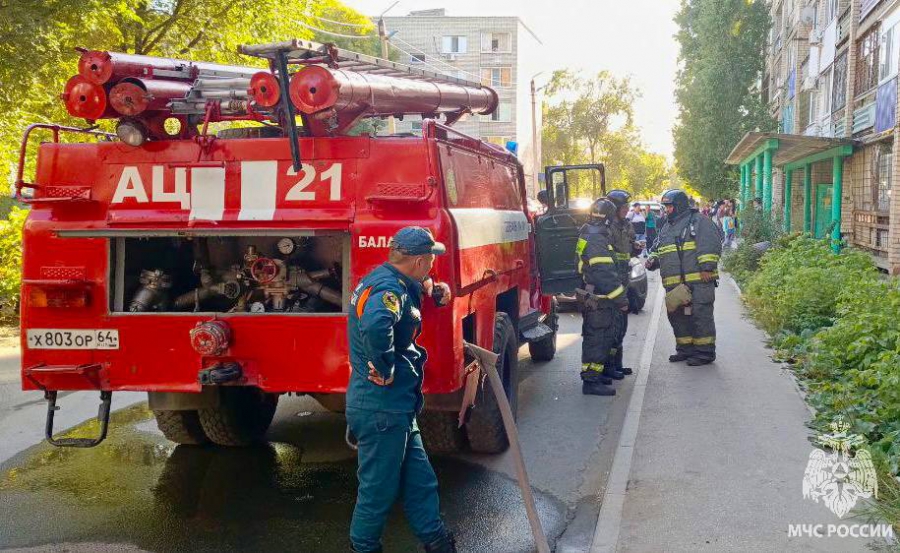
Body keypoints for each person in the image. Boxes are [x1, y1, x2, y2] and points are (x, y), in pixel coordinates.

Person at [346, 226, 456, 553]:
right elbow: (377, 323)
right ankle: (364, 548)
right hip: (381, 407)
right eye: (431, 261)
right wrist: (384, 367)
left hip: (397, 408)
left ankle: (437, 542)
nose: (432, 266)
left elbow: (412, 290)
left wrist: (435, 290)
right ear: (420, 261)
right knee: (377, 493)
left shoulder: (389, 277)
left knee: (421, 483)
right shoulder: (388, 290)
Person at [646, 190, 722, 366]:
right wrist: (653, 260)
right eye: (665, 207)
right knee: (678, 317)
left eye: (669, 206)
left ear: (679, 205)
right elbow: (661, 248)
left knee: (700, 317)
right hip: (675, 285)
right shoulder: (667, 226)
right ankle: (685, 349)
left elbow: (710, 244)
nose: (667, 210)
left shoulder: (699, 222)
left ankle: (704, 353)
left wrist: (707, 267)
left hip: (698, 282)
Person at [576, 198, 629, 396]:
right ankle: (591, 382)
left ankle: (596, 377)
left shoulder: (588, 231)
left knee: (601, 336)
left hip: (596, 294)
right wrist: (621, 299)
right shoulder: (597, 237)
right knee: (596, 339)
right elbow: (604, 272)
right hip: (599, 297)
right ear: (607, 217)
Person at [606, 189, 638, 379]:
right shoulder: (607, 227)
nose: (627, 210)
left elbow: (627, 248)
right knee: (613, 326)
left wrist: (635, 248)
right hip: (612, 282)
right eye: (624, 206)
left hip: (623, 280)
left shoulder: (625, 225)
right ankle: (609, 367)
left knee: (622, 325)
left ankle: (617, 364)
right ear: (615, 208)